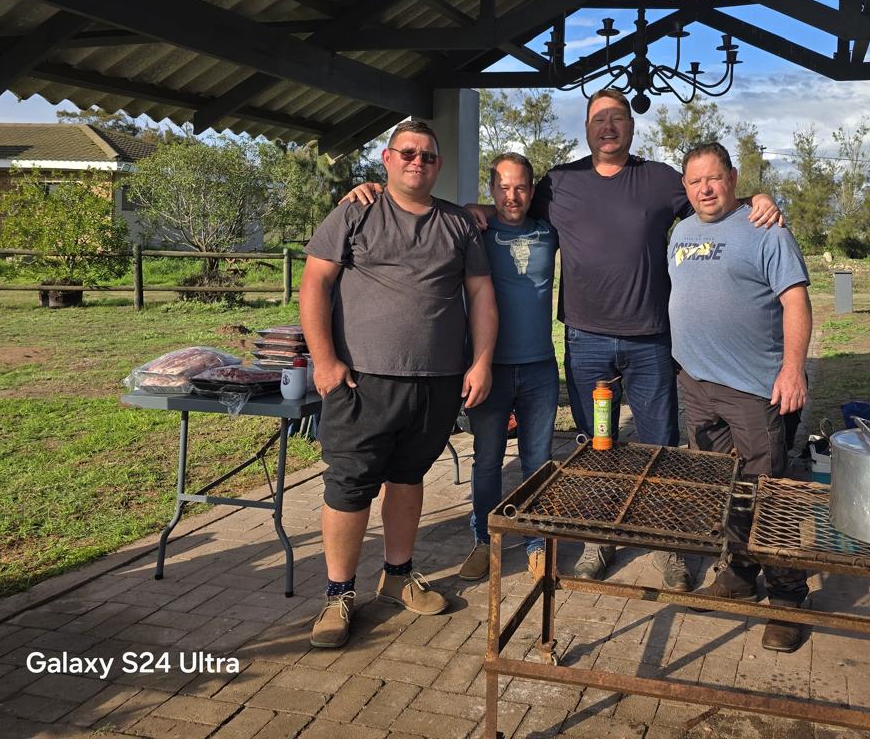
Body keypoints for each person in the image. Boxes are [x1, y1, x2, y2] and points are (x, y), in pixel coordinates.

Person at [343, 87, 781, 592]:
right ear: (587, 128)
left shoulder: (662, 179)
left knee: (659, 445)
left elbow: (715, 201)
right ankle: (598, 538)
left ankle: (668, 544)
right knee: (597, 447)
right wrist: (426, 199)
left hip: (650, 342)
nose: (608, 127)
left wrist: (758, 200)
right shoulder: (560, 182)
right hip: (586, 341)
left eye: (617, 117)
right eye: (598, 119)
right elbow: (511, 203)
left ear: (631, 125)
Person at [301, 119, 498, 649]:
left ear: (438, 164)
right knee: (349, 485)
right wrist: (324, 361)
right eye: (407, 153)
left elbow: (480, 295)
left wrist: (480, 362)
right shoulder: (356, 212)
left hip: (436, 381)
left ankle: (397, 575)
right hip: (362, 380)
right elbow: (315, 282)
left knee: (409, 477)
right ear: (387, 159)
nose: (418, 161)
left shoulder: (458, 223)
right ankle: (338, 594)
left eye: (428, 155)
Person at [667, 141, 813, 653]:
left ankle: (789, 598)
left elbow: (796, 301)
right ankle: (739, 575)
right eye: (695, 181)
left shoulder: (765, 228)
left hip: (754, 389)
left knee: (769, 493)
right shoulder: (680, 233)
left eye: (714, 178)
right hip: (697, 386)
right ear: (685, 188)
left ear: (732, 178)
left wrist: (792, 369)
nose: (705, 189)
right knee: (724, 487)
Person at [456, 152, 559, 584]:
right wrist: (470, 209)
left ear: (532, 191)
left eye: (520, 187)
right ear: (491, 189)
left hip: (539, 368)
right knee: (487, 460)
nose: (511, 196)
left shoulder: (549, 231)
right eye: (503, 187)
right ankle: (484, 540)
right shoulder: (476, 231)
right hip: (489, 367)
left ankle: (536, 541)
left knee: (538, 460)